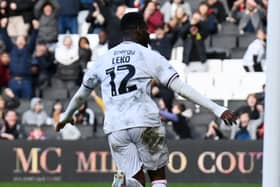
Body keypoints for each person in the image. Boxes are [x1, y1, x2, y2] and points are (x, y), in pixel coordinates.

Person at [56, 12, 236, 187]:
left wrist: (66, 117)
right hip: (145, 123)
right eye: (145, 28)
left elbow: (81, 94)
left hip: (115, 128)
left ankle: (126, 183)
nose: (149, 32)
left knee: (137, 180)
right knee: (158, 176)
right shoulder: (147, 55)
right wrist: (216, 108)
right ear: (137, 29)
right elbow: (180, 88)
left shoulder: (103, 60)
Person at [0, 18, 39, 99]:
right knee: (14, 102)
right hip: (13, 81)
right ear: (16, 41)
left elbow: (33, 39)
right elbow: (5, 38)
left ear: (25, 42)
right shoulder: (11, 49)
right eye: (19, 39)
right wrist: (3, 27)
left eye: (22, 39)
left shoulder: (28, 50)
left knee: (26, 102)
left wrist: (35, 29)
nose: (20, 41)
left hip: (26, 80)